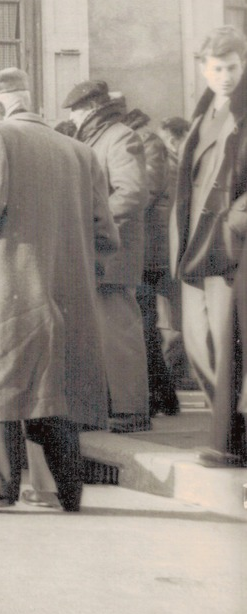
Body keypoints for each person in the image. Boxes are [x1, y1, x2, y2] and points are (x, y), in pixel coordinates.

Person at [0, 67, 118, 512]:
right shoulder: (80, 151)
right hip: (65, 290)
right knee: (51, 387)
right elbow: (106, 235)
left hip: (6, 283)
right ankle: (63, 490)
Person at [172, 25, 247, 468]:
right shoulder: (204, 113)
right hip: (192, 245)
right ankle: (230, 430)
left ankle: (232, 439)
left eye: (234, 67)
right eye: (218, 68)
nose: (226, 76)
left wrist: (236, 219)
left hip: (228, 248)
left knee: (227, 343)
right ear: (204, 69)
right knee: (198, 342)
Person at [61, 80, 151, 433]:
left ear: (93, 109)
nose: (73, 117)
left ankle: (132, 409)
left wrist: (91, 224)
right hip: (98, 251)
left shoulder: (120, 137)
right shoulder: (97, 139)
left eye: (77, 110)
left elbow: (132, 193)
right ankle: (109, 408)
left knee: (119, 332)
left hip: (112, 252)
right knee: (100, 333)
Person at [122, 108, 179, 417]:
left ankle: (161, 395)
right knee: (144, 323)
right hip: (145, 248)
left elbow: (148, 190)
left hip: (150, 251)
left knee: (145, 323)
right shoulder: (143, 142)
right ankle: (163, 395)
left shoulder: (149, 143)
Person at [156, 115, 191, 388]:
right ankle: (177, 370)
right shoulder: (172, 164)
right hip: (172, 247)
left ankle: (177, 369)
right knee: (172, 311)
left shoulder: (173, 164)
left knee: (171, 312)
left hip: (173, 246)